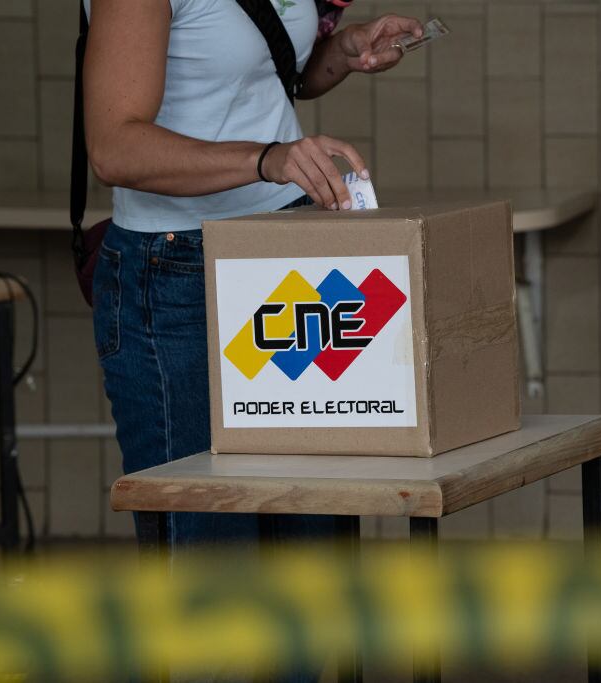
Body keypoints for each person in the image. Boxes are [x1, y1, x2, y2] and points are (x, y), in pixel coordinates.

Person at [84, 0, 422, 548]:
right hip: (178, 273)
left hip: (281, 251)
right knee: (209, 548)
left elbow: (266, 75)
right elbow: (113, 148)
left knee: (315, 528)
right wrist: (268, 159)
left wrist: (340, 51)